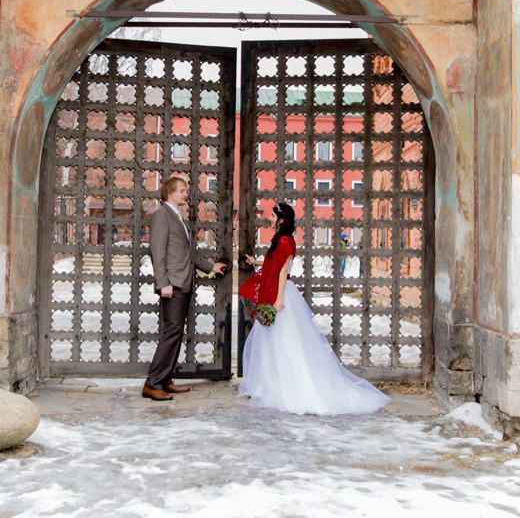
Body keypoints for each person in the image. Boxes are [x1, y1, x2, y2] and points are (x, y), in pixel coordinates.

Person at [239, 202, 389, 415]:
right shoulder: (279, 239)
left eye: (272, 216)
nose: (269, 219)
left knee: (284, 342)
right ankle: (270, 385)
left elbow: (282, 272)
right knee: (270, 341)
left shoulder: (286, 240)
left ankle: (287, 387)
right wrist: (257, 262)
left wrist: (278, 301)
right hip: (276, 293)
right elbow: (273, 266)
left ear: (281, 219)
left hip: (282, 295)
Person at [143, 176, 227, 401]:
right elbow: (157, 252)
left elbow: (189, 254)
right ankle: (152, 383)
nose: (185, 194)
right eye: (181, 190)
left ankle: (165, 380)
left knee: (176, 333)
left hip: (183, 283)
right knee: (172, 332)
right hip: (173, 284)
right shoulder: (162, 215)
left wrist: (211, 267)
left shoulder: (179, 218)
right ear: (170, 192)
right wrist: (163, 283)